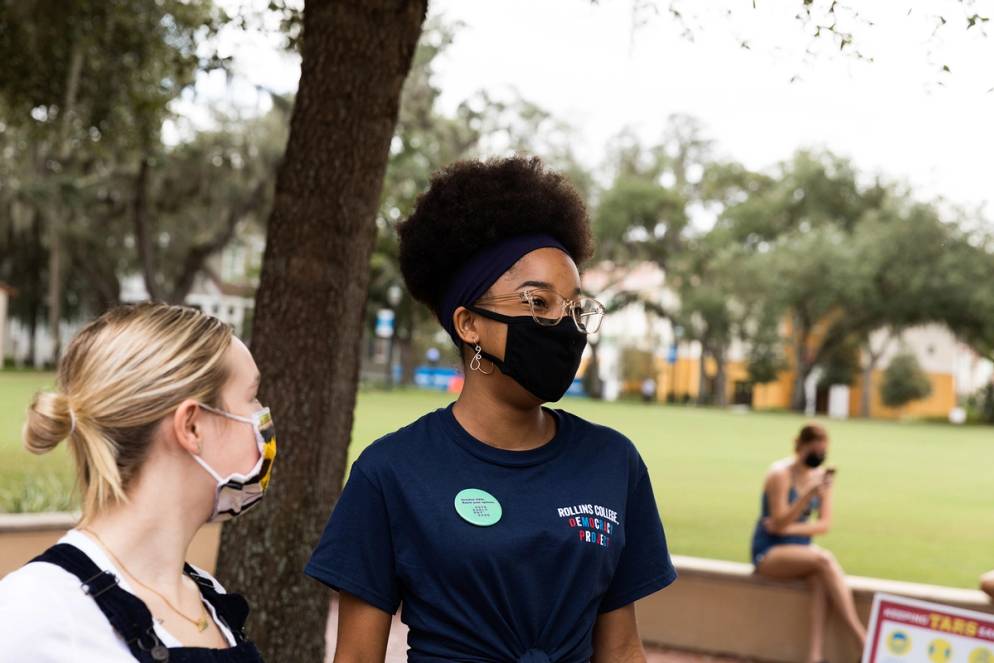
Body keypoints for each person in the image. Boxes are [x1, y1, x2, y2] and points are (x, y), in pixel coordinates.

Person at [307, 157, 677, 663]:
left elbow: (622, 647)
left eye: (572, 308)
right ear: (469, 324)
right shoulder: (390, 472)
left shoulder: (614, 462)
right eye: (537, 303)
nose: (563, 327)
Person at [0, 303, 274, 662]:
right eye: (251, 397)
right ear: (192, 426)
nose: (263, 418)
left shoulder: (205, 595)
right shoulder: (35, 612)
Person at [751, 423, 865, 663]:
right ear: (800, 446)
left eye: (822, 451)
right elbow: (779, 523)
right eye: (813, 450)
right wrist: (806, 497)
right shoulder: (780, 474)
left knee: (820, 580)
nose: (818, 456)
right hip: (770, 552)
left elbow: (824, 525)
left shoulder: (820, 477)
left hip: (802, 551)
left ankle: (814, 657)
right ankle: (861, 639)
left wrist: (789, 526)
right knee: (825, 559)